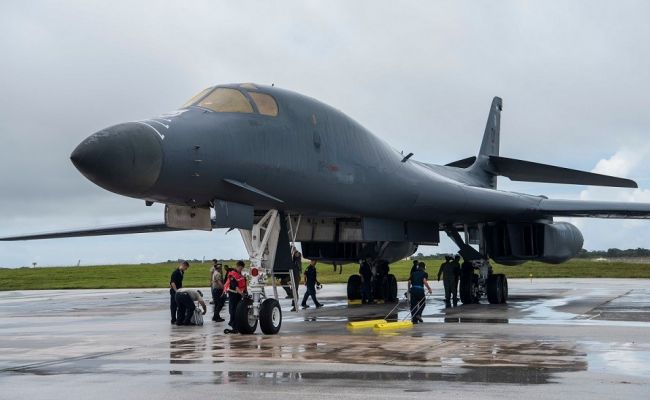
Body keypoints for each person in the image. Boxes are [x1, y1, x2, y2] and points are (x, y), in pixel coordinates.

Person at [223, 260, 247, 333]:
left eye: (242, 268)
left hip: (238, 294)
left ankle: (236, 325)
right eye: (241, 268)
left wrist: (244, 292)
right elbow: (235, 286)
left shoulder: (240, 274)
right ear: (238, 266)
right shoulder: (233, 275)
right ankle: (233, 325)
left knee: (237, 310)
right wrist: (242, 294)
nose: (241, 270)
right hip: (233, 294)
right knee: (233, 310)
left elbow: (243, 285)